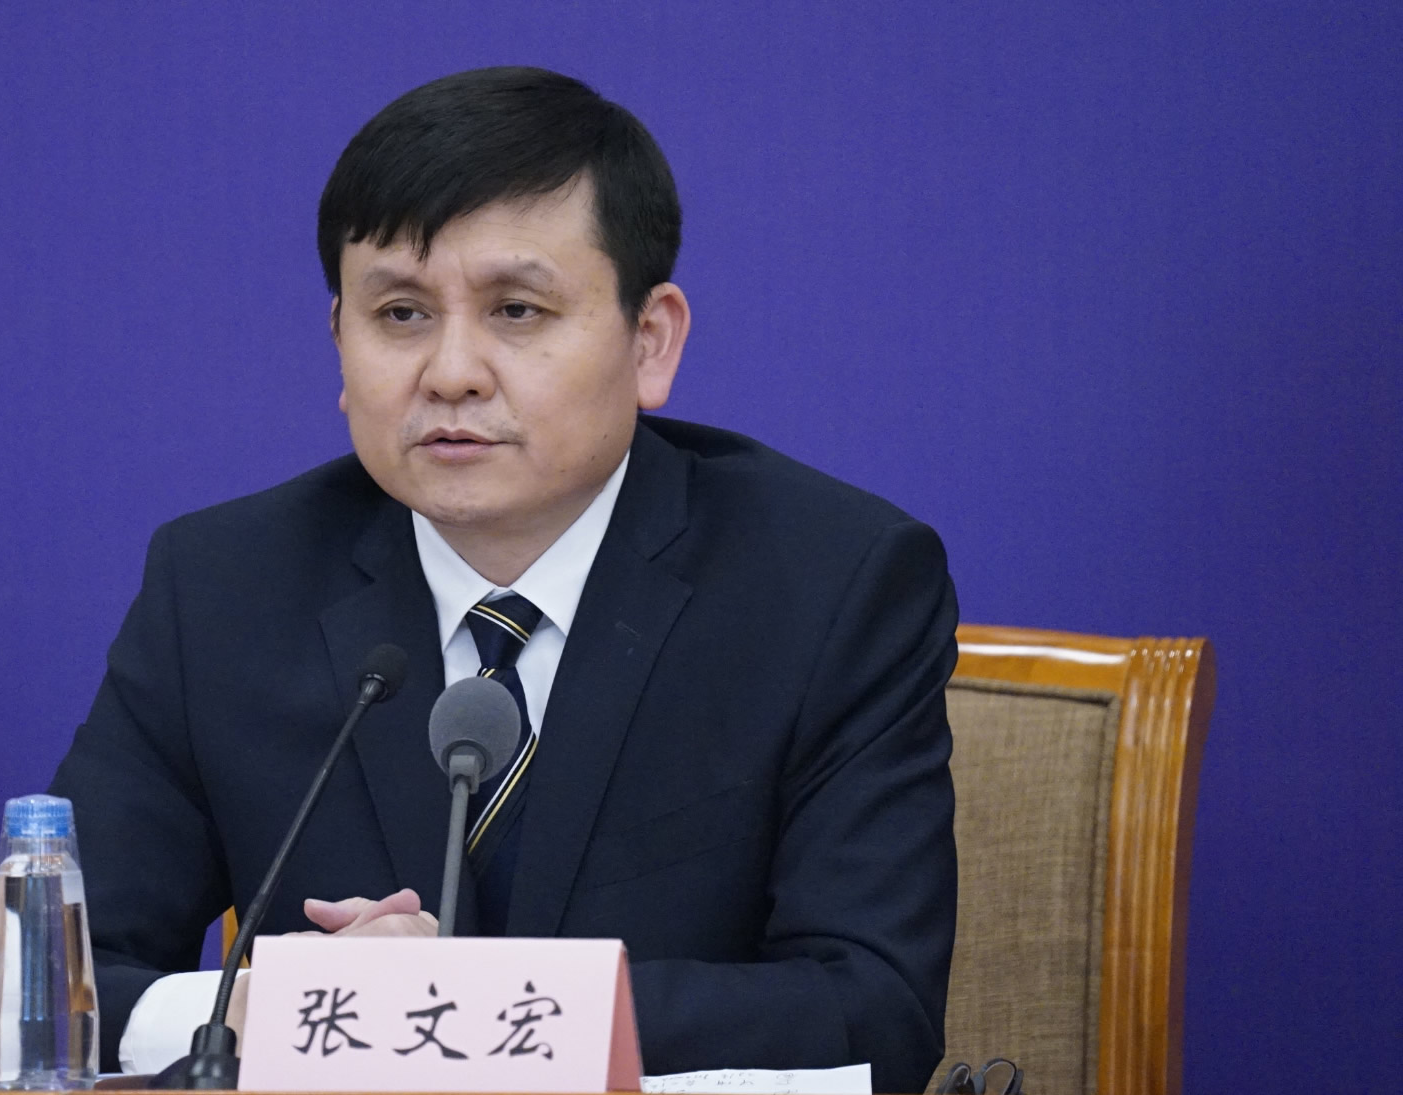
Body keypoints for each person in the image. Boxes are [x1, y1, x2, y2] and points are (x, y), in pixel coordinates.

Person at [48, 66, 957, 1092]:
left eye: (517, 310)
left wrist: (464, 1012)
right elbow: (54, 980)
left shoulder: (831, 585)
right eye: (400, 314)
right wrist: (264, 1008)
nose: (451, 373)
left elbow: (872, 1007)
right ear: (339, 343)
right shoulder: (222, 587)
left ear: (650, 342)